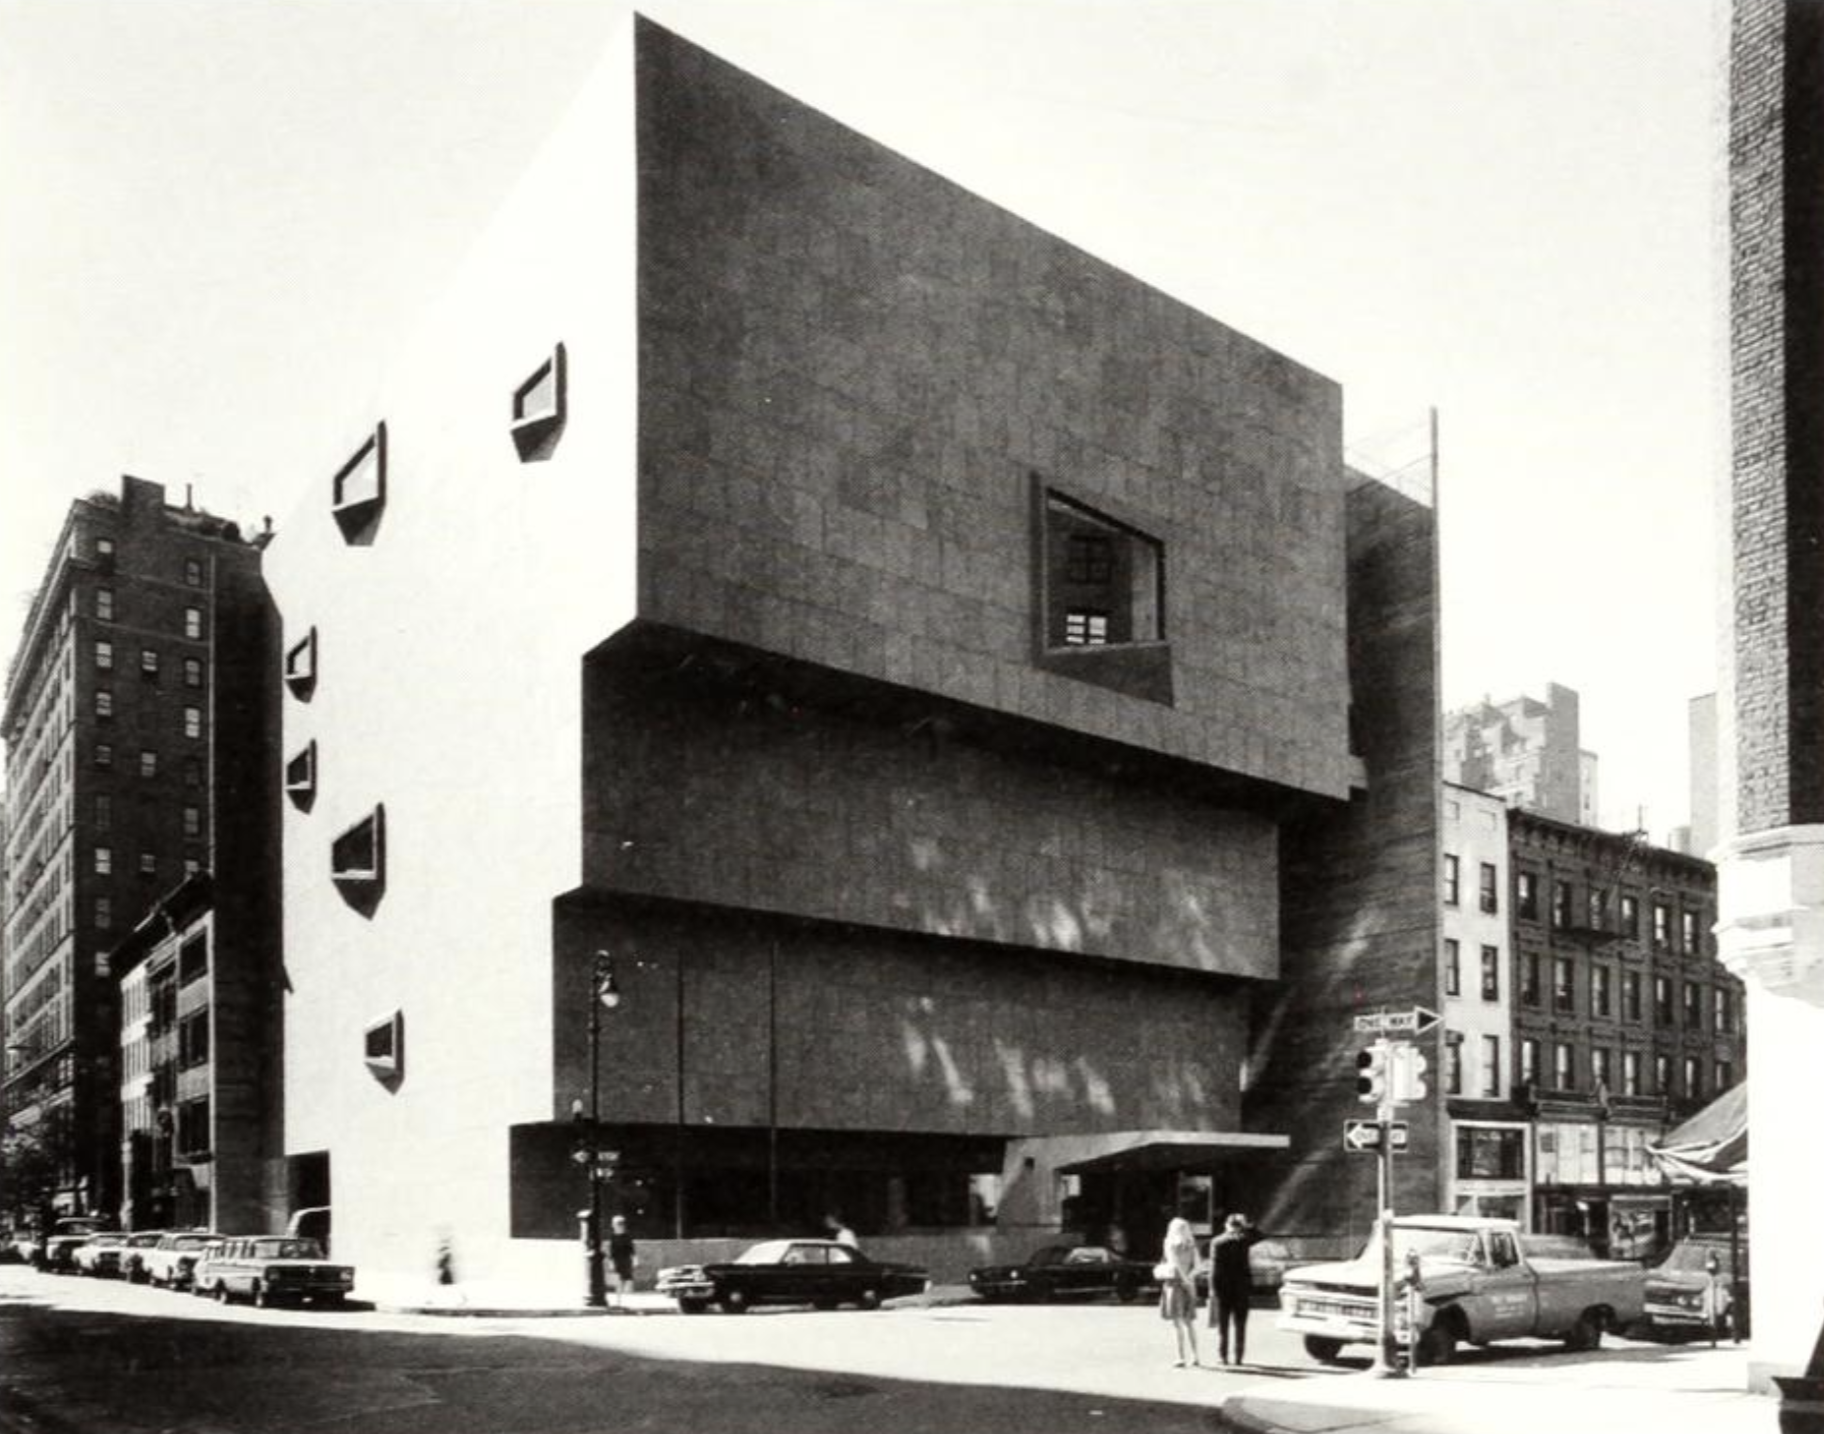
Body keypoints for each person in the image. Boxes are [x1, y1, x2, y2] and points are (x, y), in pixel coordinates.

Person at [1207, 1212, 1266, 1365]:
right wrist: (1247, 1225)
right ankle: (1239, 1356)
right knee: (1240, 1324)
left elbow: (1214, 1268)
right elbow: (1261, 1235)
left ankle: (1223, 1356)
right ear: (1240, 1227)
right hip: (1242, 1289)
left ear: (1226, 1225)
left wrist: (1212, 1288)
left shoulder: (1217, 1242)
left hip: (1223, 1289)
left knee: (1223, 1325)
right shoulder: (1244, 1240)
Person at [1159, 1216, 1202, 1368]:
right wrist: (1189, 1279)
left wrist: (1183, 1279)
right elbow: (1199, 1267)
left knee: (1177, 1323)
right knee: (1189, 1322)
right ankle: (1196, 1356)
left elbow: (1174, 1264)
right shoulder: (1192, 1245)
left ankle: (1180, 1357)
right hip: (1190, 1286)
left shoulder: (1169, 1244)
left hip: (1174, 1285)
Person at [607, 1215, 636, 1310]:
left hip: (626, 1260)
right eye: (616, 1224)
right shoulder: (612, 1237)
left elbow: (632, 1249)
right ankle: (618, 1301)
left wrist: (635, 1259)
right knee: (618, 1281)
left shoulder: (627, 1236)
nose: (618, 1226)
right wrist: (611, 1262)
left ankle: (628, 1300)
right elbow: (611, 1251)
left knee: (628, 1280)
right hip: (617, 1260)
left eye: (620, 1224)